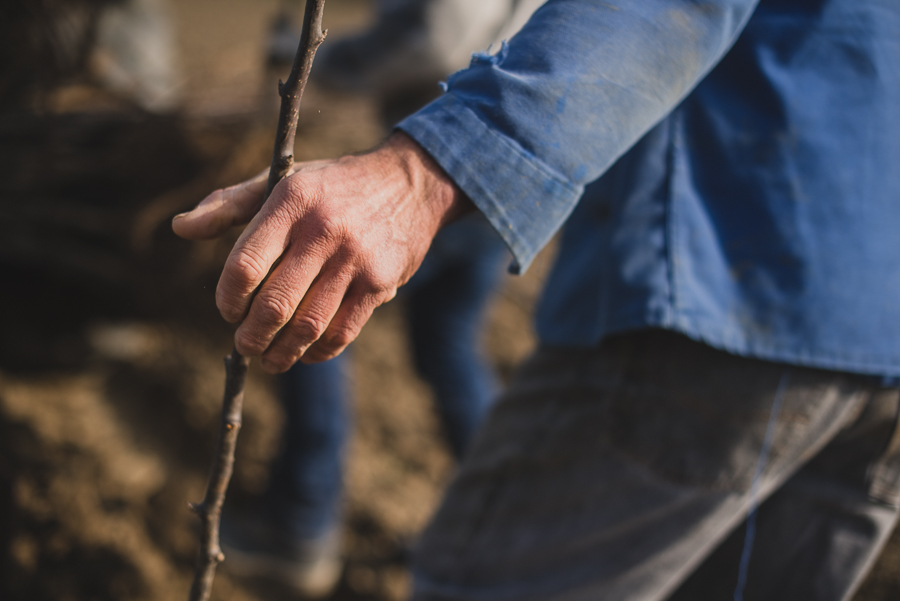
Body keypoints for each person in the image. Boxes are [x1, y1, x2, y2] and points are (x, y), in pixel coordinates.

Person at [173, 0, 900, 599]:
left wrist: (422, 173)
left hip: (729, 294)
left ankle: (302, 517)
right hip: (878, 339)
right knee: (444, 341)